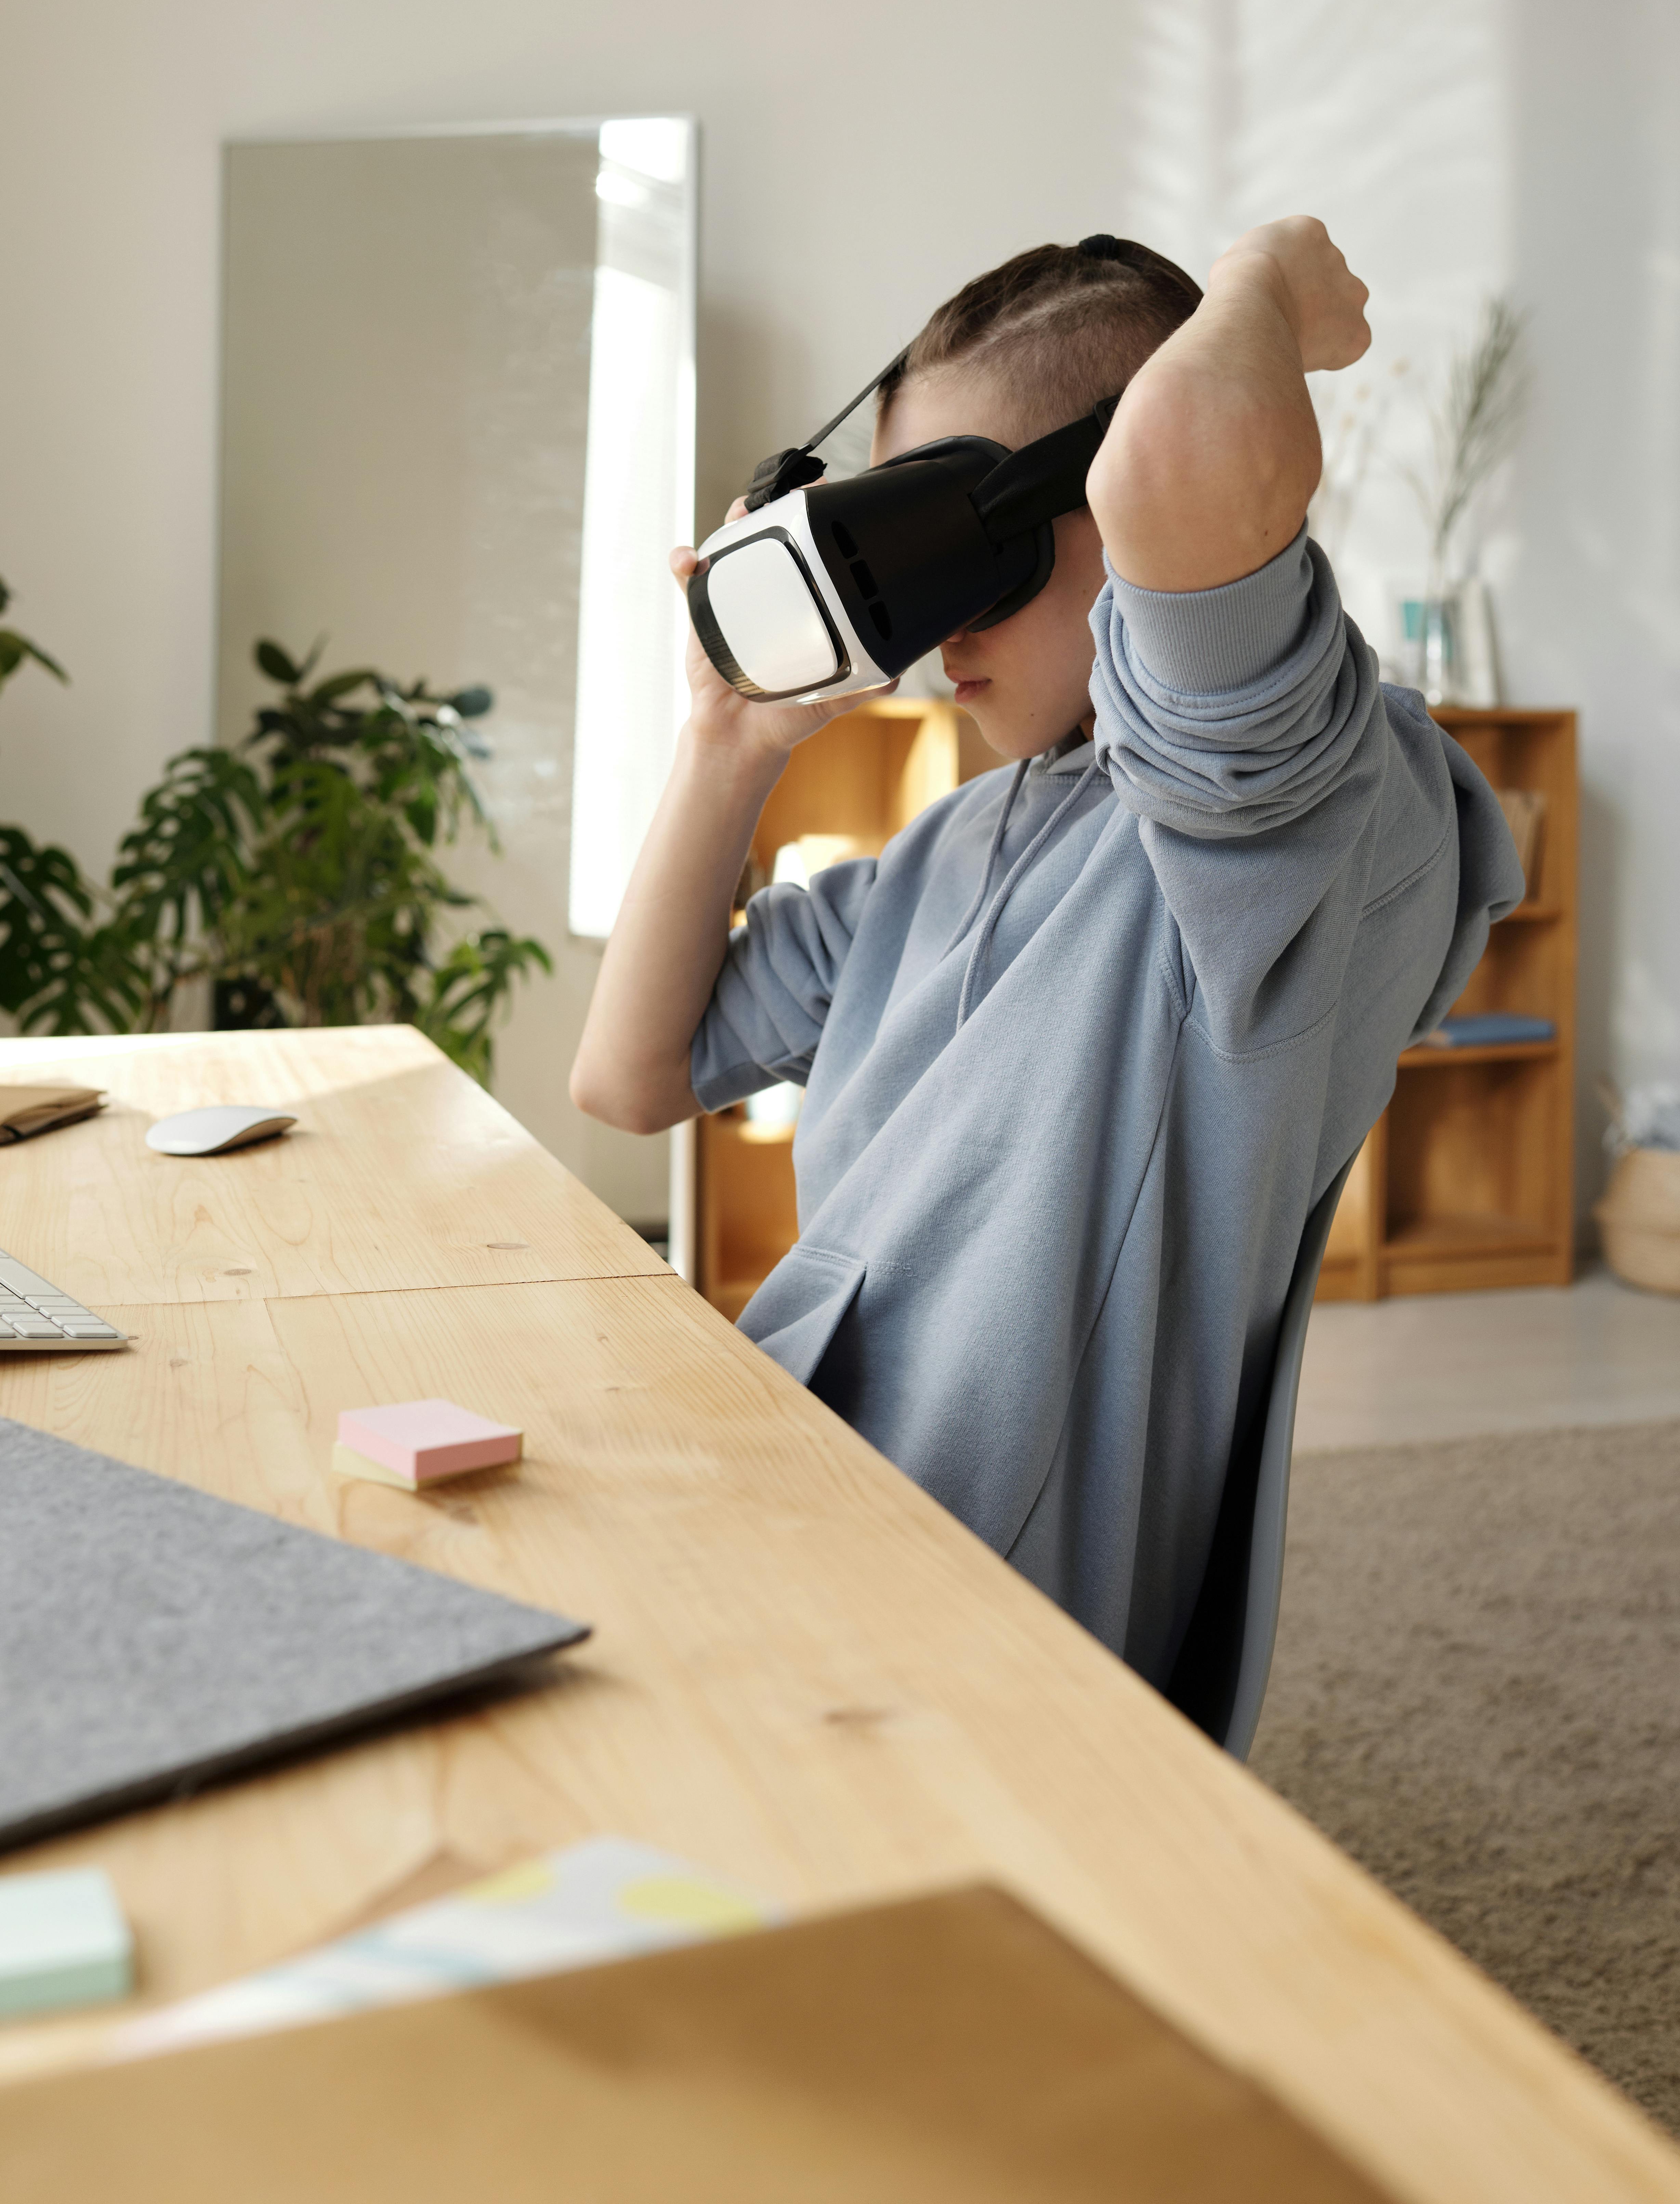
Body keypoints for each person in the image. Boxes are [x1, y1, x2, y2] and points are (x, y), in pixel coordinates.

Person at [571, 218, 1521, 1688]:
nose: (937, 630)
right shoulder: (950, 851)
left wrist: (1265, 284)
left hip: (957, 1646)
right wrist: (727, 738)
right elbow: (629, 1077)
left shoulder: (1268, 821)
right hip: (785, 1502)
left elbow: (1185, 459)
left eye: (966, 552)